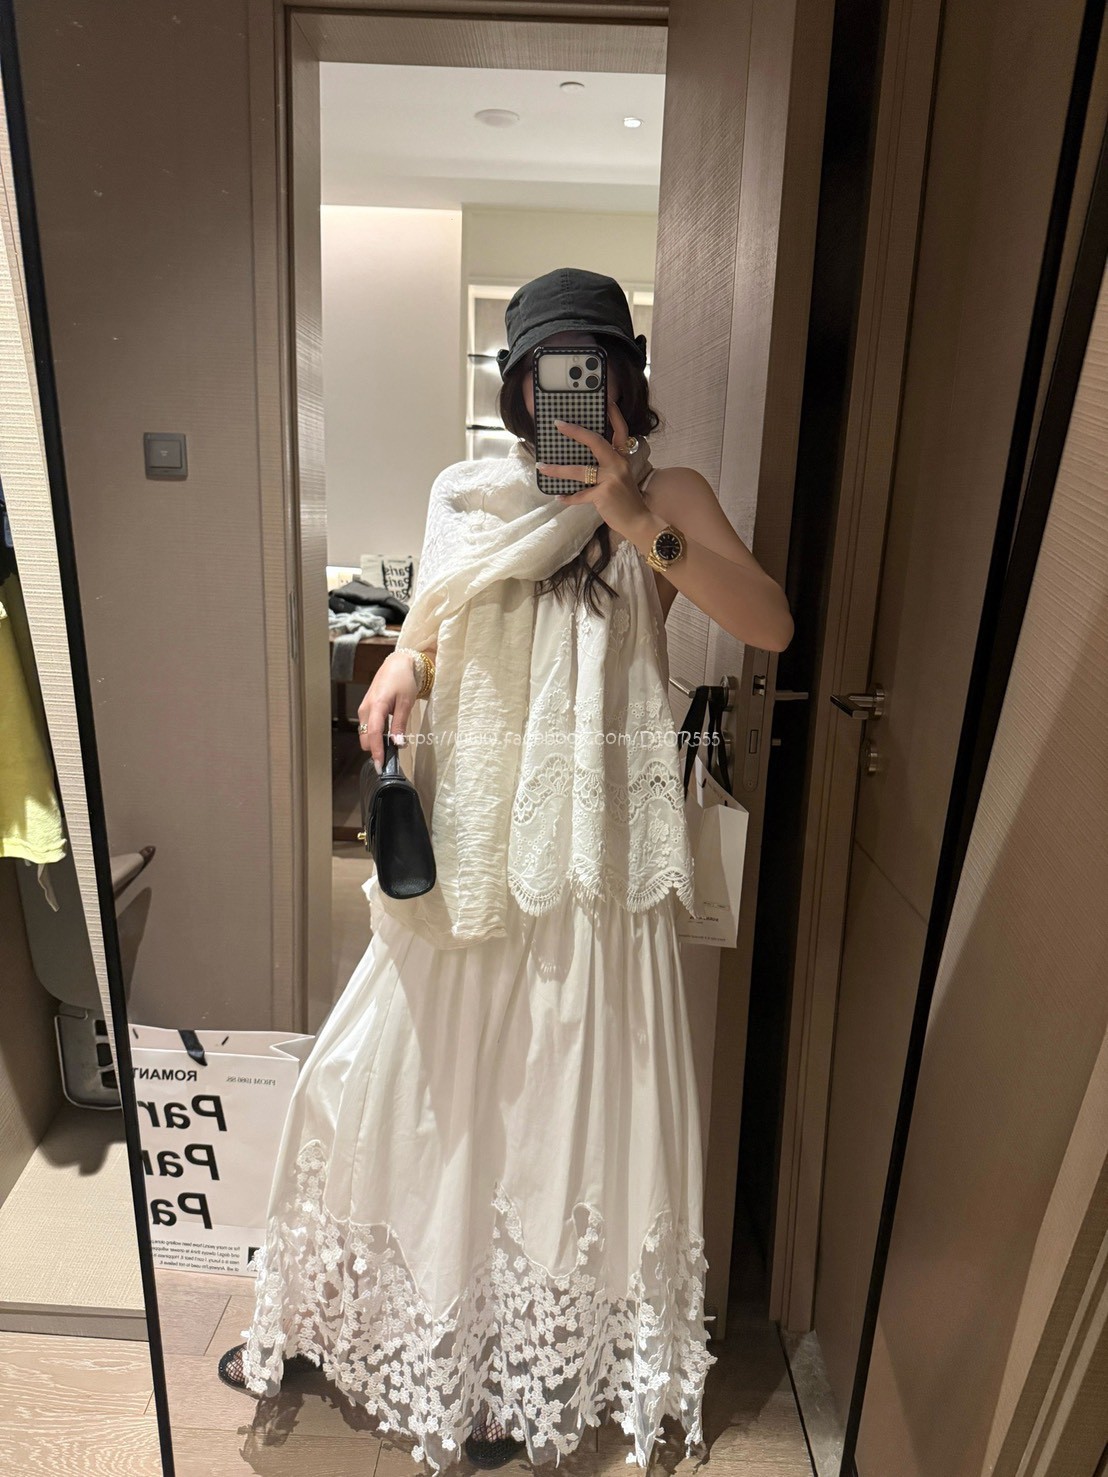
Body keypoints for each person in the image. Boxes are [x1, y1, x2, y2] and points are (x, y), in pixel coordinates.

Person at [216, 267, 794, 1471]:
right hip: (473, 842)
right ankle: (348, 1309)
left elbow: (768, 624)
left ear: (623, 374)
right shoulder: (465, 490)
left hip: (587, 860)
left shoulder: (665, 496)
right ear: (516, 384)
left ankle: (499, 1371)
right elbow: (435, 624)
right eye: (542, 370)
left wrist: (631, 517)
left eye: (589, 364)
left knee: (543, 1107)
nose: (562, 389)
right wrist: (402, 665)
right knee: (381, 1075)